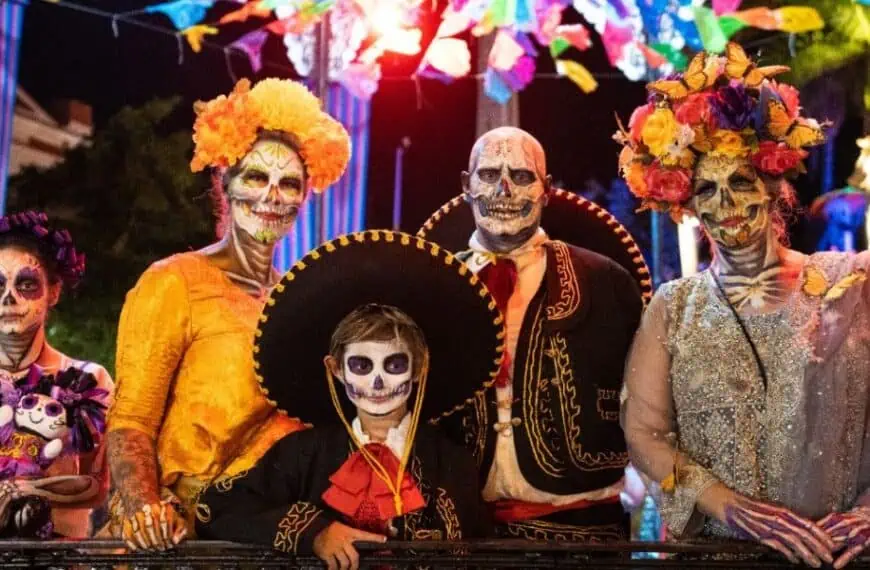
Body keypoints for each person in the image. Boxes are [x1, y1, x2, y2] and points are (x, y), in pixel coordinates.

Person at [618, 42, 870, 569]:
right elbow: (644, 437)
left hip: (840, 554)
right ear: (686, 202)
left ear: (773, 184)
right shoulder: (674, 308)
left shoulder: (852, 285)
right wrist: (730, 508)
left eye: (739, 181)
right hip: (716, 555)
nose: (725, 203)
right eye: (706, 189)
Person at [105, 77, 351, 550]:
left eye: (289, 183)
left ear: (304, 198)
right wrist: (144, 507)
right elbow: (132, 418)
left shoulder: (301, 300)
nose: (272, 195)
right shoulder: (175, 281)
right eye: (256, 177)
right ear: (225, 184)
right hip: (182, 539)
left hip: (273, 536)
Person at [195, 231, 499, 570]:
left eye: (394, 365)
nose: (378, 382)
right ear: (336, 370)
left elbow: (477, 551)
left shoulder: (452, 462)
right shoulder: (303, 454)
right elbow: (216, 509)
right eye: (362, 366)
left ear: (418, 368)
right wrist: (314, 533)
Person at [418, 127, 644, 542]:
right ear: (466, 186)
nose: (503, 190)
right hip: (462, 534)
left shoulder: (606, 283)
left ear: (547, 189)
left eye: (521, 176)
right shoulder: (434, 287)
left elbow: (649, 401)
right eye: (489, 175)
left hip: (584, 534)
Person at [0, 211, 112, 538]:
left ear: (54, 291)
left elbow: (99, 485)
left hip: (56, 553)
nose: (9, 299)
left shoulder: (87, 380)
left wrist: (29, 491)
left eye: (26, 284)